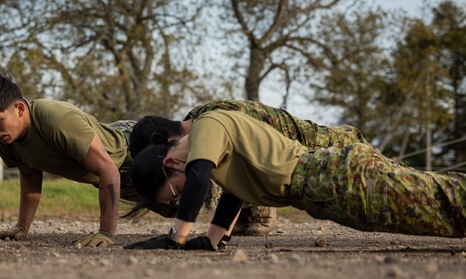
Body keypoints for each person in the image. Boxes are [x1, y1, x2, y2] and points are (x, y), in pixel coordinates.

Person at [125, 110, 466, 250]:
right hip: (328, 186)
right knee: (435, 211)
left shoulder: (208, 125)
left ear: (172, 159)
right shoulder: (220, 152)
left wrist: (177, 236)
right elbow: (235, 194)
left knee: (439, 204)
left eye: (173, 190)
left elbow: (198, 175)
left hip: (333, 176)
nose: (181, 195)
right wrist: (209, 239)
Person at [0, 75, 172, 247]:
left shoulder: (56, 120)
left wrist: (106, 233)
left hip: (137, 149)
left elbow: (107, 169)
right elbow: (29, 176)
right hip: (117, 173)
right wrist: (22, 227)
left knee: (196, 189)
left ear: (19, 108)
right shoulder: (3, 137)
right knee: (173, 209)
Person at [128, 100, 370, 236]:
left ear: (168, 143)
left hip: (326, 149)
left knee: (371, 187)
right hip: (308, 164)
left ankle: (259, 211)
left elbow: (241, 167)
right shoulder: (199, 124)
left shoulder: (210, 122)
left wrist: (179, 236)